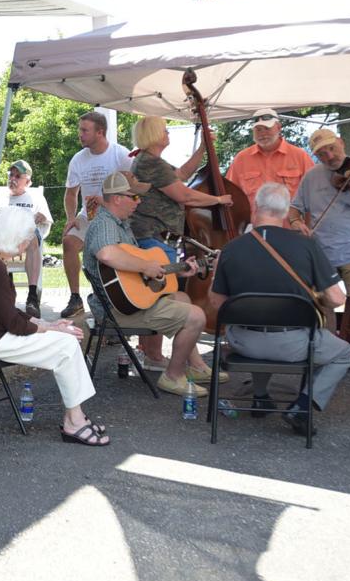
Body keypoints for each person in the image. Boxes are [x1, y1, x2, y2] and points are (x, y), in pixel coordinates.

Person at [0, 207, 110, 446]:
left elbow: (5, 312)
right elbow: (13, 323)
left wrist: (45, 323)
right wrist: (52, 329)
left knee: (65, 342)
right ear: (14, 238)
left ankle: (75, 416)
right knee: (66, 344)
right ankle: (74, 421)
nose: (26, 249)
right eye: (26, 243)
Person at [210, 183, 350, 435]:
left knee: (257, 317)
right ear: (287, 212)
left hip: (243, 342)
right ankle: (302, 406)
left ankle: (260, 397)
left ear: (256, 207)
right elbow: (337, 298)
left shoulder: (231, 249)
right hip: (294, 344)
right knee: (344, 354)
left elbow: (217, 303)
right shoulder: (307, 245)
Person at [83, 172, 223, 394]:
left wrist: (178, 270)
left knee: (183, 298)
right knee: (197, 316)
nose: (139, 202)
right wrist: (145, 266)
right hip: (116, 310)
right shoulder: (105, 224)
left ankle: (195, 366)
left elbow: (133, 275)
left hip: (124, 303)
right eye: (134, 197)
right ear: (118, 198)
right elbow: (107, 255)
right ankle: (172, 376)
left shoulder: (120, 224)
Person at [128, 116, 229, 370]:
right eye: (164, 129)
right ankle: (154, 356)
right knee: (162, 297)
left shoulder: (151, 162)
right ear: (153, 134)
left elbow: (182, 174)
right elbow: (183, 194)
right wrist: (218, 200)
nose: (168, 132)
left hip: (158, 238)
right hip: (155, 238)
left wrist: (203, 149)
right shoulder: (150, 163)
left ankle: (157, 355)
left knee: (162, 295)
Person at [289, 128, 350, 387]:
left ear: (341, 143)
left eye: (332, 148)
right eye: (321, 153)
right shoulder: (311, 177)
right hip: (322, 250)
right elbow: (294, 209)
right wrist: (297, 222)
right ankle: (329, 357)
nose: (329, 155)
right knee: (324, 304)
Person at [61, 111, 147, 318]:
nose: (79, 134)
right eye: (80, 129)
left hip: (114, 216)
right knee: (69, 243)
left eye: (84, 130)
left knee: (108, 257)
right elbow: (71, 193)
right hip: (88, 215)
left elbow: (135, 188)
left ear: (100, 132)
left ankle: (112, 300)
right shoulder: (78, 159)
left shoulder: (120, 155)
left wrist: (107, 200)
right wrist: (71, 218)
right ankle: (75, 298)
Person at [0, 160, 53, 317]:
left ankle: (32, 296)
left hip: (27, 239)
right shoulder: (1, 197)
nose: (12, 178)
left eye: (17, 176)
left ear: (27, 182)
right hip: (6, 239)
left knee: (32, 236)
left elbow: (45, 221)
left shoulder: (35, 198)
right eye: (11, 175)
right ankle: (3, 295)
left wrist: (40, 217)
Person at [225, 108, 314, 203]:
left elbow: (314, 191)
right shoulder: (241, 159)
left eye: (267, 128)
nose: (263, 134)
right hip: (254, 218)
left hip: (291, 218)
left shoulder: (300, 156)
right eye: (258, 129)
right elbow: (229, 194)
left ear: (279, 127)